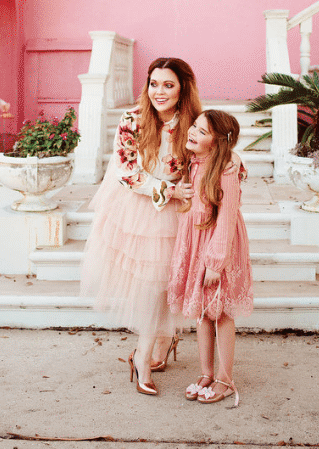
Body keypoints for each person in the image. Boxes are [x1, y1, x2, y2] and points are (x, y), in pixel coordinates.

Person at [80, 57, 202, 395]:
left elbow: (211, 154)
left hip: (181, 209)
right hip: (141, 206)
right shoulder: (132, 120)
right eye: (154, 84)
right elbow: (126, 171)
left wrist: (232, 167)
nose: (159, 92)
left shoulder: (193, 122)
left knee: (169, 282)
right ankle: (143, 358)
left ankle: (164, 343)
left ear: (183, 88)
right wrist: (168, 190)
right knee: (152, 283)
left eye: (168, 85)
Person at [167, 110, 252, 406]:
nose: (192, 132)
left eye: (202, 132)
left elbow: (227, 217)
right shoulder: (195, 161)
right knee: (203, 311)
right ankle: (206, 373)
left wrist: (216, 262)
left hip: (219, 246)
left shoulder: (227, 168)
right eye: (194, 126)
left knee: (221, 313)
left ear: (216, 143)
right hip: (197, 241)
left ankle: (225, 379)